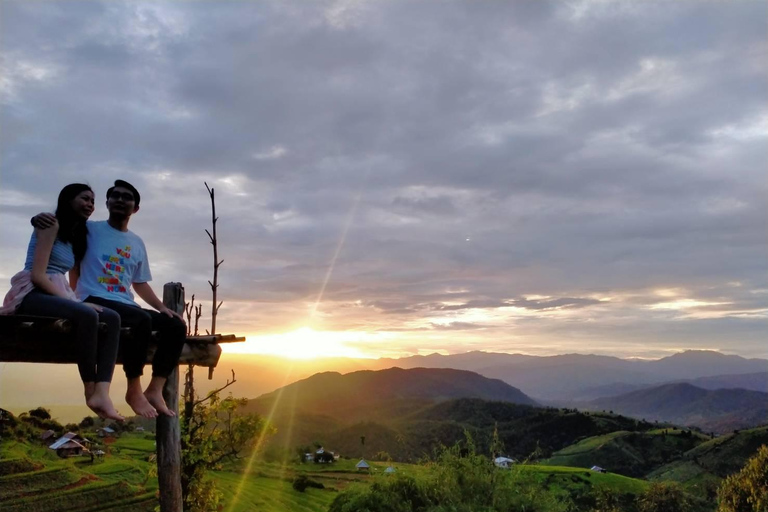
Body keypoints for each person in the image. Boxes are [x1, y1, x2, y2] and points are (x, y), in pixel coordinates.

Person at [34, 180, 186, 418]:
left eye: (127, 197)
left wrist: (161, 308)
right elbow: (62, 222)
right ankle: (133, 390)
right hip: (93, 297)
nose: (119, 199)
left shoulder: (136, 242)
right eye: (114, 195)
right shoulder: (89, 229)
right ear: (107, 203)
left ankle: (154, 389)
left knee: (176, 326)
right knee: (139, 321)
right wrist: (37, 218)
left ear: (135, 208)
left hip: (124, 303)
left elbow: (139, 282)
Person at [1, 184, 123, 421]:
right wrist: (75, 303)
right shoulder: (51, 224)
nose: (90, 204)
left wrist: (73, 299)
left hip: (55, 292)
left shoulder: (74, 234)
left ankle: (102, 391)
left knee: (112, 317)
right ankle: (90, 391)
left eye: (92, 201)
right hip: (32, 293)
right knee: (87, 315)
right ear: (68, 199)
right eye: (84, 199)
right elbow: (37, 275)